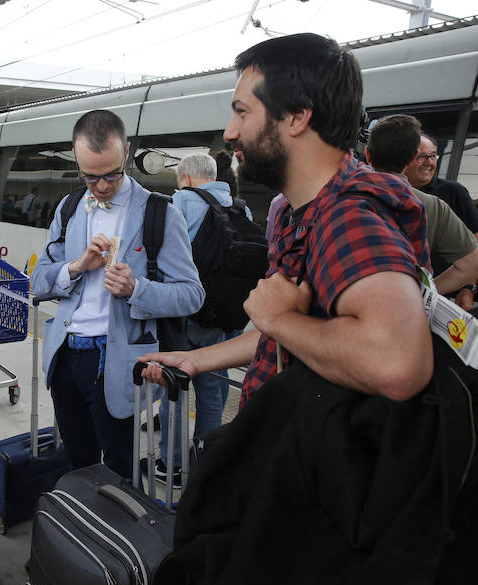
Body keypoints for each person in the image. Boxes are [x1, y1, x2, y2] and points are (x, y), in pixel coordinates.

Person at [141, 33, 433, 410]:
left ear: (297, 116)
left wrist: (279, 320)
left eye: (242, 112)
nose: (230, 132)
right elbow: (308, 334)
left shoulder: (348, 218)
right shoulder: (301, 211)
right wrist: (197, 359)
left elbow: (398, 366)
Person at [31, 109, 203, 479]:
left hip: (116, 361)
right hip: (65, 355)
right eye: (90, 177)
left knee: (120, 468)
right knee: (78, 462)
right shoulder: (70, 207)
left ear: (126, 151)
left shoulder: (160, 213)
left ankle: (117, 534)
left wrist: (136, 288)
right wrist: (76, 266)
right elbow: (38, 281)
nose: (102, 186)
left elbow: (192, 295)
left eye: (111, 174)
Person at [147, 152, 255, 482]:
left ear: (187, 178)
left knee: (175, 391)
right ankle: (207, 462)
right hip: (226, 319)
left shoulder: (181, 202)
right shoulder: (241, 208)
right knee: (213, 394)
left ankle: (172, 466)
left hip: (186, 317)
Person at [366, 114, 478, 296]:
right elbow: (472, 264)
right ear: (412, 157)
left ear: (368, 154)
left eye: (433, 156)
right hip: (406, 314)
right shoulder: (432, 206)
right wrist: (423, 294)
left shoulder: (337, 197)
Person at [403, 133, 478, 309]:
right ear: (404, 159)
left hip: (447, 299)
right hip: (402, 297)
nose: (429, 162)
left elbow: (475, 243)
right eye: (422, 157)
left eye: (433, 156)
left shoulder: (454, 192)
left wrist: (468, 288)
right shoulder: (391, 194)